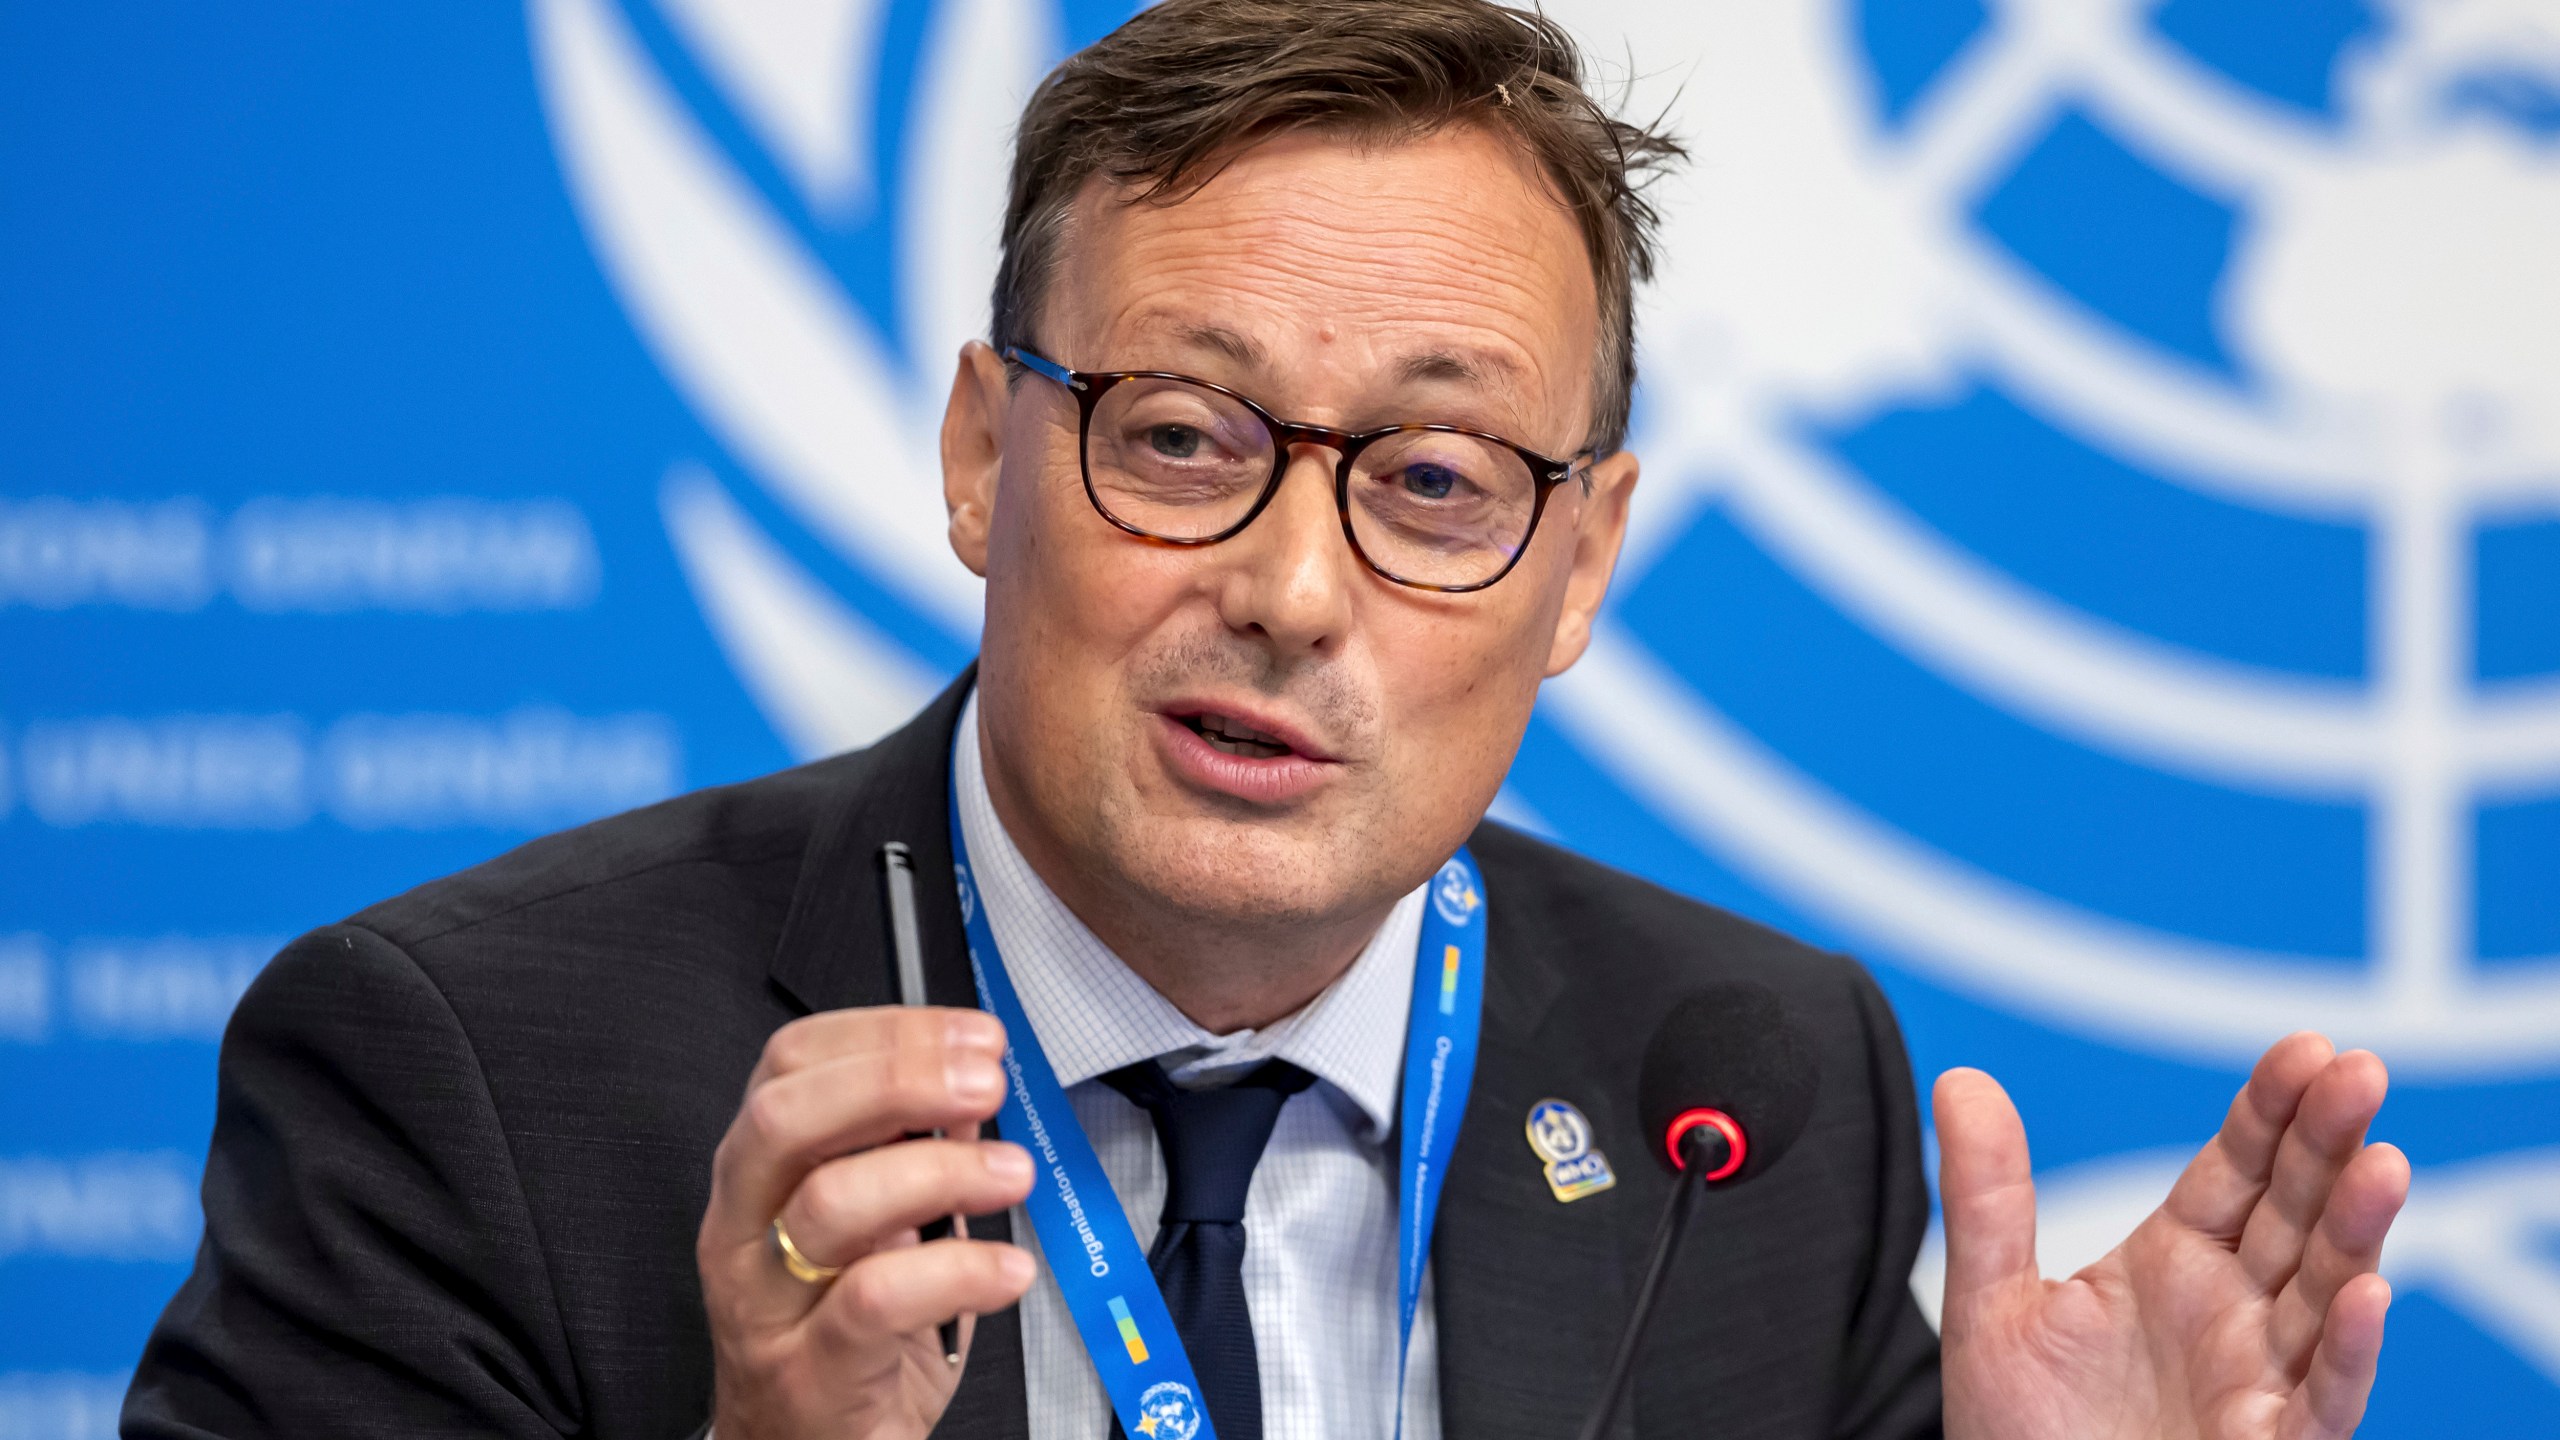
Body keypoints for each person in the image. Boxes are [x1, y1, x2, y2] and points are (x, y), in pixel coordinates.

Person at [123, 2, 2409, 1437]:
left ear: (1579, 567)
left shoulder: (1747, 1080)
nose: (1290, 595)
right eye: (1184, 438)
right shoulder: (469, 1069)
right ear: (974, 456)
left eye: (1431, 481)